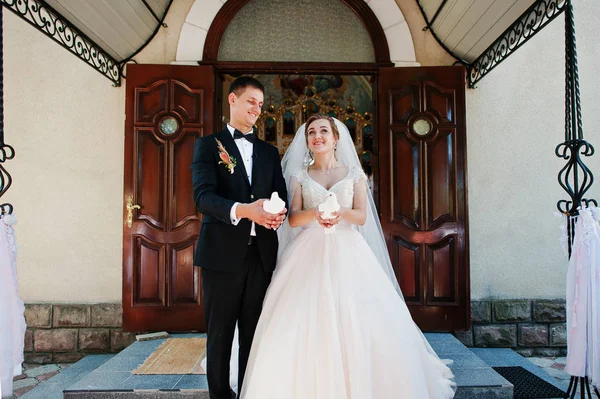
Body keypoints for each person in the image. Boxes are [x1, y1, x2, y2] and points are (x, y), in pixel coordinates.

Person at [240, 114, 456, 398]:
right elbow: (292, 219)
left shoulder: (354, 174)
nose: (317, 136)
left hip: (348, 249)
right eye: (311, 132)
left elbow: (361, 217)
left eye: (323, 131)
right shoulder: (300, 176)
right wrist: (316, 214)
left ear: (335, 138)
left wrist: (339, 213)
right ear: (307, 141)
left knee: (356, 313)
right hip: (308, 251)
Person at [191, 76, 287, 399]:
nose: (257, 109)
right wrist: (246, 211)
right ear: (232, 100)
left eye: (261, 105)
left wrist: (276, 216)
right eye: (251, 102)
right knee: (220, 335)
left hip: (260, 257)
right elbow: (203, 198)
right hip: (220, 256)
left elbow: (280, 196)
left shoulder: (270, 153)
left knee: (252, 334)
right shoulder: (208, 146)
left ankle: (248, 392)